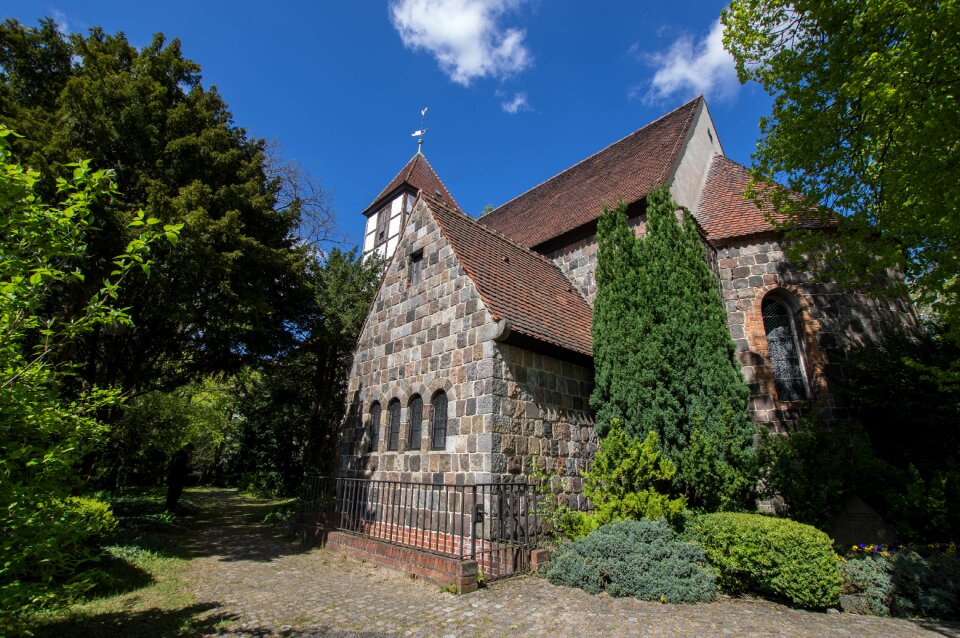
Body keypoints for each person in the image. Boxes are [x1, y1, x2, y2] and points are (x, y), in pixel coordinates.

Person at [165, 443, 194, 512]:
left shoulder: (182, 455)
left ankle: (171, 509)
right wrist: (186, 465)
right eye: (190, 450)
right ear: (188, 448)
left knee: (175, 494)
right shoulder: (179, 455)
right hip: (176, 478)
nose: (191, 452)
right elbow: (176, 466)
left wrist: (188, 466)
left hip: (178, 478)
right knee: (173, 494)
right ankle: (170, 509)